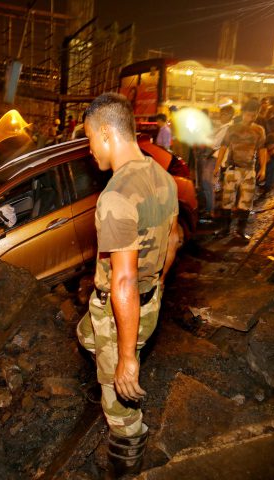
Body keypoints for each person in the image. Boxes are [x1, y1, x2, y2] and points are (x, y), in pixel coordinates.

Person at [76, 93, 180, 477]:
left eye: (89, 139)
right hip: (147, 302)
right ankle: (109, 366)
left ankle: (127, 459)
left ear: (106, 133)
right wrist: (157, 286)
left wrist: (126, 357)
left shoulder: (116, 195)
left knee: (119, 400)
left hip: (119, 308)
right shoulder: (163, 177)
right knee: (85, 335)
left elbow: (123, 278)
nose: (90, 150)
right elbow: (174, 241)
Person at [214, 100, 268, 243]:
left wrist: (263, 168)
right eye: (250, 113)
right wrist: (217, 166)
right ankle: (224, 229)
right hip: (232, 169)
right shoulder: (233, 129)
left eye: (255, 113)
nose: (253, 116)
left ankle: (240, 231)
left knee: (246, 202)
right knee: (227, 200)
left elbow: (262, 150)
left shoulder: (259, 130)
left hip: (249, 170)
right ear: (244, 113)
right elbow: (224, 147)